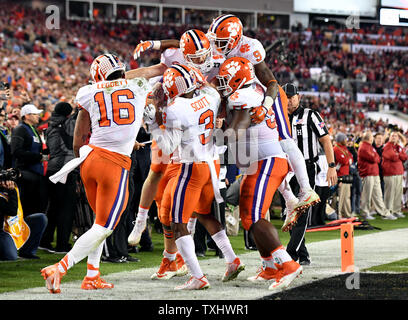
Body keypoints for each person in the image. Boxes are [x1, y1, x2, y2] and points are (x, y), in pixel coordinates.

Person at [40, 53, 151, 294]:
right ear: (121, 70)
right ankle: (60, 267)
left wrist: (83, 166)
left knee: (97, 223)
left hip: (89, 158)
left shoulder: (87, 92)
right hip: (114, 163)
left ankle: (92, 275)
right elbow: (158, 69)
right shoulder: (136, 85)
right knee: (106, 226)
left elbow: (79, 139)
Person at [207, 14, 322, 220]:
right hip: (235, 94)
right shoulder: (215, 48)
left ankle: (305, 189)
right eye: (216, 41)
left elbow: (271, 82)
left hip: (263, 95)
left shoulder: (250, 47)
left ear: (235, 38)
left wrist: (266, 105)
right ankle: (290, 199)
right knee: (254, 156)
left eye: (222, 42)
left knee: (284, 139)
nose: (217, 46)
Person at [144, 63, 244, 290]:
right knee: (204, 213)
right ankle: (232, 260)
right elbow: (209, 88)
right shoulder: (210, 97)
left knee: (177, 223)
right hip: (211, 165)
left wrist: (153, 124)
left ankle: (198, 277)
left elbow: (168, 147)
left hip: (191, 167)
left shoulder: (177, 108)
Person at [216, 57, 302, 290]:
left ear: (238, 79)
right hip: (258, 162)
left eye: (226, 80)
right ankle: (269, 266)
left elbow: (235, 130)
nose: (223, 84)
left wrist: (213, 133)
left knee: (253, 217)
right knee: (249, 218)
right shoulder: (251, 90)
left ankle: (288, 264)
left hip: (267, 161)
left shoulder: (242, 96)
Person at [279, 83, 337, 265]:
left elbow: (326, 140)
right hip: (285, 169)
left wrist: (331, 165)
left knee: (302, 211)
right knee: (289, 212)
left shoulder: (310, 115)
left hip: (306, 166)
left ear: (298, 97)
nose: (289, 100)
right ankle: (302, 254)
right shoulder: (278, 117)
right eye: (285, 97)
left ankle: (291, 253)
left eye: (291, 96)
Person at [40, 101, 78, 254]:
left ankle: (45, 240)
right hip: (66, 169)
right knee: (66, 209)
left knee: (54, 207)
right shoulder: (68, 124)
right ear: (68, 113)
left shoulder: (50, 126)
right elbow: (77, 120)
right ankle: (62, 244)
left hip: (52, 169)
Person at [10, 104, 48, 217]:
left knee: (37, 207)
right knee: (28, 207)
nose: (38, 116)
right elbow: (16, 151)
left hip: (36, 173)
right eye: (35, 114)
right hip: (26, 174)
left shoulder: (32, 129)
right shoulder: (20, 129)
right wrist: (38, 157)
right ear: (27, 116)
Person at [0, 177, 47, 260]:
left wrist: (18, 174)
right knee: (11, 257)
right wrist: (12, 191)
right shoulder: (9, 190)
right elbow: (11, 211)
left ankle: (28, 252)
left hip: (15, 223)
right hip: (3, 231)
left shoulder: (14, 187)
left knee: (41, 218)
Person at [357, 131, 396, 220]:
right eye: (372, 137)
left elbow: (377, 158)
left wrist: (376, 157)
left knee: (378, 195)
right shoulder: (364, 147)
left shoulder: (369, 147)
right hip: (367, 173)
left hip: (374, 173)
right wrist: (376, 157)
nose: (373, 139)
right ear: (369, 138)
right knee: (367, 195)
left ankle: (384, 213)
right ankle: (365, 213)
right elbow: (373, 158)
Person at [382, 131, 407, 218]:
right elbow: (392, 157)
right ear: (389, 137)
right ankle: (387, 212)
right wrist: (398, 155)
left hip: (399, 172)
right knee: (390, 193)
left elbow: (405, 157)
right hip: (390, 173)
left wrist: (398, 154)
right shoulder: (387, 146)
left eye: (395, 136)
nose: (394, 137)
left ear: (398, 138)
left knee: (398, 193)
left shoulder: (398, 146)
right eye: (392, 136)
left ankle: (396, 210)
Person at [333, 132, 353, 219]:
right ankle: (339, 215)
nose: (346, 140)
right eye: (345, 139)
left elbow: (351, 158)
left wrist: (348, 160)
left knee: (346, 197)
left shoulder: (344, 148)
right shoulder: (336, 149)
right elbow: (344, 161)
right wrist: (348, 160)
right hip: (340, 176)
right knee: (340, 197)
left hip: (346, 175)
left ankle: (347, 213)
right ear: (341, 140)